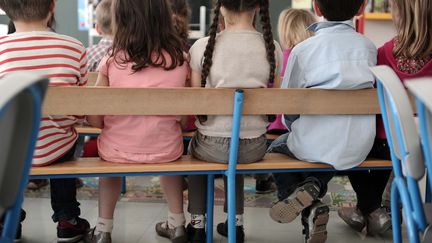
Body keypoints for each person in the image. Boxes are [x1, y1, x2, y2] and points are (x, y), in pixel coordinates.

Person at [267, 0, 377, 242]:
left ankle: (306, 200)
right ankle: (312, 191)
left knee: (275, 148)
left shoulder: (303, 50)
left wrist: (295, 128)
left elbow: (287, 109)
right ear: (361, 8)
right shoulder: (369, 48)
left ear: (316, 8)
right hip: (359, 146)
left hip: (315, 145)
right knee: (327, 146)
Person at [85, 0, 189, 242]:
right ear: (165, 19)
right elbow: (183, 120)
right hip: (167, 148)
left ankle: (103, 229)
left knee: (108, 165)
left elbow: (95, 117)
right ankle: (177, 224)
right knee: (169, 157)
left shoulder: (112, 60)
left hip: (117, 149)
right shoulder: (180, 60)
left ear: (121, 21)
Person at [186, 0, 282, 242]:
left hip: (210, 145)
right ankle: (235, 224)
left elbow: (196, 104)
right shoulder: (273, 48)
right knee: (236, 151)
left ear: (221, 9)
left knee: (194, 152)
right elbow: (276, 103)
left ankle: (197, 224)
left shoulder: (201, 47)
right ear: (259, 8)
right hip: (254, 147)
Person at [339, 0, 432, 236]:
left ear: (398, 13)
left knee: (354, 146)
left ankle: (370, 208)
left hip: (392, 145)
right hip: (428, 148)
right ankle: (374, 209)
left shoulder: (382, 53)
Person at [0, 1, 90, 242]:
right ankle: (67, 219)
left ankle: (7, 220)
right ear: (52, 6)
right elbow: (81, 110)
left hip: (8, 149)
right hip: (57, 144)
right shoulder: (74, 46)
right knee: (65, 138)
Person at [255, 8, 317, 195]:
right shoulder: (313, 59)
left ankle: (267, 181)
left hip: (273, 126)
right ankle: (303, 188)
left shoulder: (279, 57)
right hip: (304, 126)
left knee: (275, 146)